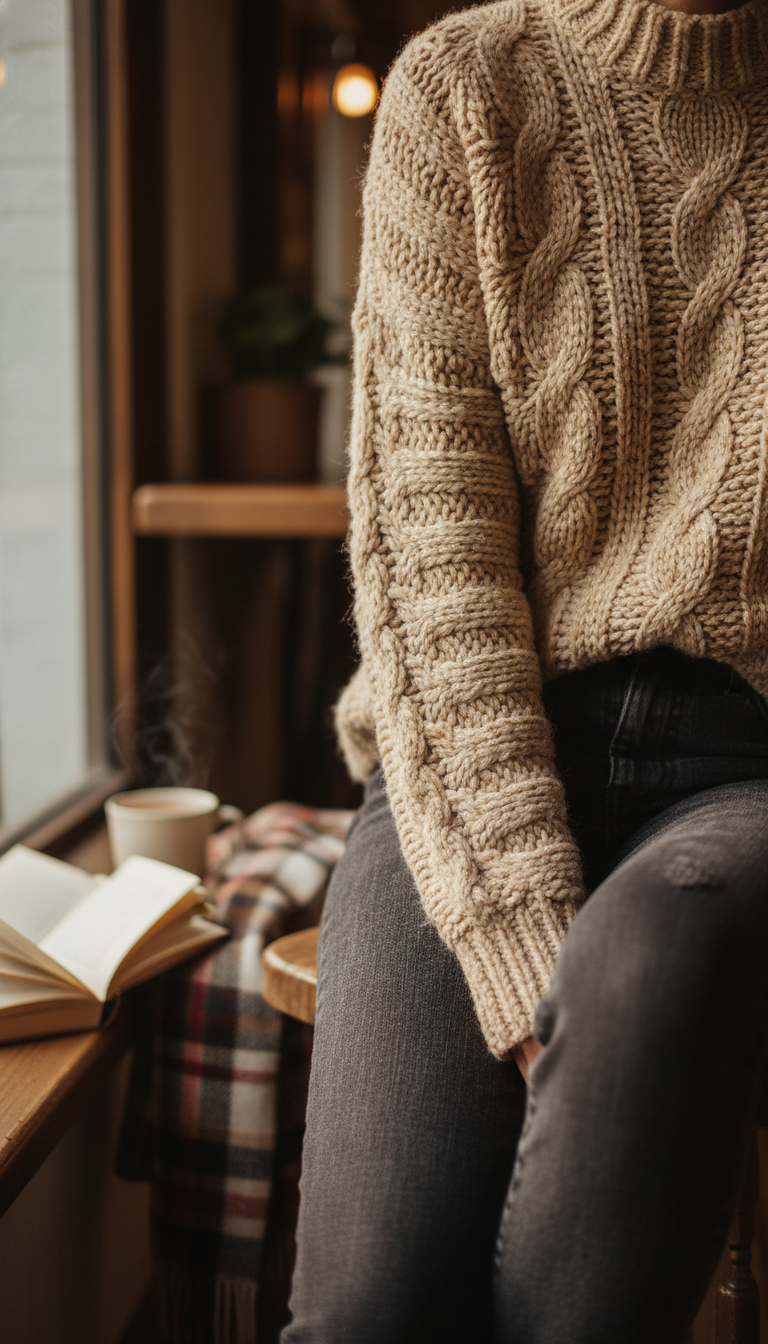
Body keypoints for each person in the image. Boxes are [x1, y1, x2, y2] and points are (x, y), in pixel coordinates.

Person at [282, 0, 768, 1336]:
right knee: (372, 1310)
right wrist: (515, 932)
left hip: (749, 773)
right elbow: (430, 556)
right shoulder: (464, 90)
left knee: (655, 954)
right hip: (474, 741)